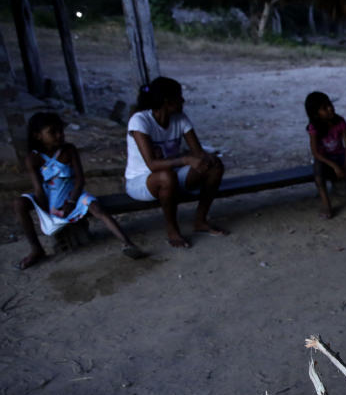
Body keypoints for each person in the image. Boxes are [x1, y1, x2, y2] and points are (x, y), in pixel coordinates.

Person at [15, 112, 146, 270]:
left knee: (97, 208)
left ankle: (127, 243)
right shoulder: (33, 158)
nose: (59, 135)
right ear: (38, 136)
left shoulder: (69, 150)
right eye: (52, 132)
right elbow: (38, 189)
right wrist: (46, 213)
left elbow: (79, 180)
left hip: (73, 195)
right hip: (49, 197)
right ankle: (36, 250)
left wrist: (70, 202)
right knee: (19, 203)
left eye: (61, 131)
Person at [125, 77, 227, 248]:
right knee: (166, 176)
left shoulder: (180, 118)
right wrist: (186, 159)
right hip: (140, 181)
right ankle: (172, 230)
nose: (183, 100)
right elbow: (151, 165)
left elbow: (198, 152)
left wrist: (206, 159)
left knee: (215, 166)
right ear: (167, 101)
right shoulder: (140, 120)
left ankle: (200, 221)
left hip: (172, 176)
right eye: (179, 96)